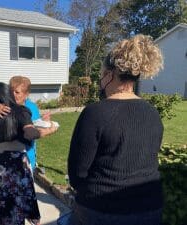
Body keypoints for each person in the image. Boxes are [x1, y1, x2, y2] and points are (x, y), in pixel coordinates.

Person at [67, 34, 164, 225]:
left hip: (101, 209)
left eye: (102, 75)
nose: (100, 81)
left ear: (110, 75)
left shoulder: (95, 113)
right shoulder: (153, 113)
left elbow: (77, 173)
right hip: (150, 209)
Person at [0, 82, 56, 225]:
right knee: (18, 201)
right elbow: (30, 133)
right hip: (16, 163)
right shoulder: (22, 110)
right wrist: (49, 129)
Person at [0, 76, 50, 170]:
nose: (13, 94)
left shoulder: (31, 107)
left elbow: (34, 128)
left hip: (27, 157)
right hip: (3, 158)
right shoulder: (3, 106)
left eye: (17, 92)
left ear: (26, 94)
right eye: (11, 91)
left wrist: (44, 123)